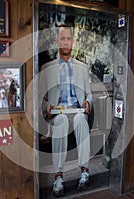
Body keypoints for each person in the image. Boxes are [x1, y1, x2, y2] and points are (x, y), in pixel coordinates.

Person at [40, 24, 92, 197]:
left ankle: (85, 170)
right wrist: (47, 107)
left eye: (69, 38)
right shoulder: (47, 68)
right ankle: (58, 176)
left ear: (72, 42)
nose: (65, 42)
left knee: (81, 120)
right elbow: (41, 98)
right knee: (61, 122)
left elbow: (89, 95)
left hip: (76, 111)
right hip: (58, 113)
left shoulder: (82, 68)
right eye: (62, 38)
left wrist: (87, 103)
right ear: (57, 41)